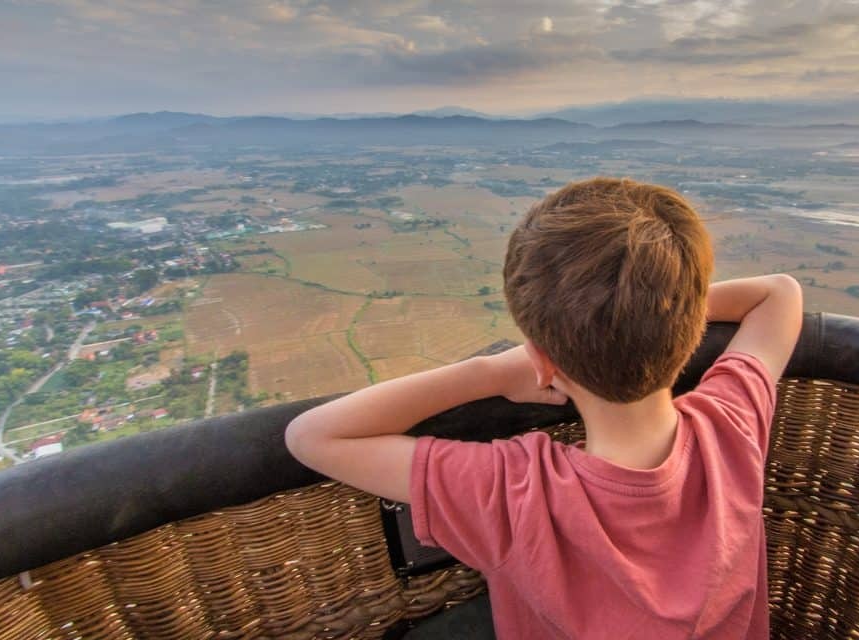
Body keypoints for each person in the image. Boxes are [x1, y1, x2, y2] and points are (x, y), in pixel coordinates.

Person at [285, 177, 803, 639]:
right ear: (691, 329)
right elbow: (779, 294)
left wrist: (487, 372)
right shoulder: (732, 426)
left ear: (541, 360)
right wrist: (670, 307)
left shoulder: (515, 493)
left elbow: (312, 436)